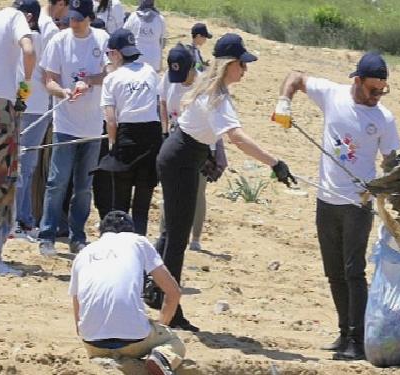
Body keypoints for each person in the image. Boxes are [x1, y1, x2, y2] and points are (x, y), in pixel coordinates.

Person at [154, 33, 295, 332]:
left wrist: (205, 154)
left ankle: (158, 294)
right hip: (180, 160)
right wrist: (275, 163)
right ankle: (171, 310)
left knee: (172, 235)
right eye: (242, 64)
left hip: (183, 156)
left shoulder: (210, 86)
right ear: (230, 64)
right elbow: (238, 138)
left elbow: (197, 126)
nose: (245, 70)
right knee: (177, 239)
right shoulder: (217, 96)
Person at [272, 52, 400, 360]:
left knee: (353, 271)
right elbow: (296, 77)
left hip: (358, 203)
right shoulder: (332, 95)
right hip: (326, 200)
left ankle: (359, 339)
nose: (376, 97)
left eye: (382, 91)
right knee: (333, 272)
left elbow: (391, 159)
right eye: (372, 90)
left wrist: (398, 178)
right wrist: (284, 102)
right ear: (356, 81)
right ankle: (344, 333)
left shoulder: (383, 118)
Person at [69, 210, 185, 375]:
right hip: (134, 340)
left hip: (93, 343)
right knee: (174, 342)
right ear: (131, 230)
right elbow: (173, 292)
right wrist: (161, 326)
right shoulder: (138, 241)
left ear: (101, 232)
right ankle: (159, 357)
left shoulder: (83, 254)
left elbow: (77, 308)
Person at [37, 0, 110, 256]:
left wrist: (89, 81)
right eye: (71, 17)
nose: (74, 22)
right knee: (57, 181)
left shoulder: (102, 39)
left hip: (92, 125)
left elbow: (111, 72)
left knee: (83, 187)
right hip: (65, 124)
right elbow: (49, 80)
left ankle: (77, 236)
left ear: (89, 18)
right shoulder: (59, 41)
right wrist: (63, 92)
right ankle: (47, 234)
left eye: (79, 18)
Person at [157, 43, 227, 251]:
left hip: (200, 142)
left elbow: (215, 121)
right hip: (175, 139)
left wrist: (217, 151)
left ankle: (195, 237)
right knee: (169, 191)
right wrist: (164, 130)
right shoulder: (169, 79)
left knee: (197, 190)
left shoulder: (204, 84)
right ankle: (165, 233)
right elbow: (162, 103)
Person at [0, 0, 38, 276]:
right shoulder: (16, 18)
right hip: (0, 107)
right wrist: (25, 87)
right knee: (1, 184)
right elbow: (29, 51)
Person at [98, 28, 161, 235]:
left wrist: (112, 145)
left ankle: (118, 249)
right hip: (152, 135)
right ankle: (139, 251)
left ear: (116, 54)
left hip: (127, 136)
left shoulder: (112, 79)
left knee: (120, 206)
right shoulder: (150, 71)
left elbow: (111, 119)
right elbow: (158, 105)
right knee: (141, 208)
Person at [13, 0, 60, 239]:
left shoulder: (34, 40)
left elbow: (27, 77)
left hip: (32, 106)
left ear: (28, 17)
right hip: (33, 107)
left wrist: (21, 97)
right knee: (25, 166)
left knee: (24, 166)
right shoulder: (31, 39)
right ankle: (21, 220)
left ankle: (21, 220)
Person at [123, 0, 165, 72]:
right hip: (153, 60)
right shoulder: (160, 19)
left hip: (136, 59)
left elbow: (124, 35)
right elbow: (162, 43)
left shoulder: (133, 17)